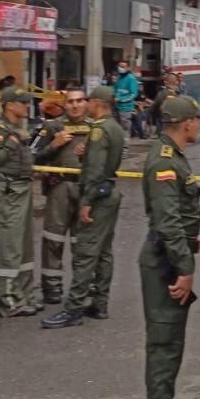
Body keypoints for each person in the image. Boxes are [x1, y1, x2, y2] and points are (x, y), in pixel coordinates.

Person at [140, 94, 200, 399]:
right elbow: (167, 221)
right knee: (164, 346)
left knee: (171, 344)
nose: (197, 124)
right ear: (187, 124)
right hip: (165, 262)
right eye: (195, 120)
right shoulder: (165, 163)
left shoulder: (172, 157)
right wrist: (185, 268)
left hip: (170, 255)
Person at [44, 87, 126, 328]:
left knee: (85, 253)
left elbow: (96, 171)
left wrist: (87, 202)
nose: (84, 105)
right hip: (110, 193)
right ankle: (100, 303)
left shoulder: (100, 130)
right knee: (104, 252)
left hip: (97, 196)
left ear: (98, 104)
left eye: (87, 101)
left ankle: (73, 310)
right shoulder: (115, 128)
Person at [0, 87, 40, 317]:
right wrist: (11, 143)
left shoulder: (19, 129)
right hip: (7, 190)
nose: (27, 107)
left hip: (23, 188)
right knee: (8, 244)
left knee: (25, 246)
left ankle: (24, 294)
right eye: (22, 103)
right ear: (9, 105)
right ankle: (8, 300)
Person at [36, 88, 91, 308]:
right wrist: (54, 145)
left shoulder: (96, 127)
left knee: (82, 242)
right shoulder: (53, 126)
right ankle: (51, 289)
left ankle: (81, 288)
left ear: (86, 103)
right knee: (53, 239)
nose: (75, 105)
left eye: (79, 101)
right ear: (64, 105)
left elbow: (117, 153)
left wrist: (90, 152)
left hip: (84, 189)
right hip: (59, 187)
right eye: (70, 102)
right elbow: (33, 155)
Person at [114, 61, 141, 135]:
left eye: (123, 67)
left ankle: (125, 144)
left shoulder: (131, 79)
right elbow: (115, 90)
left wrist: (121, 99)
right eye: (119, 66)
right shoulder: (119, 77)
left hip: (126, 108)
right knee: (117, 128)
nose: (120, 68)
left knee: (125, 129)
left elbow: (133, 94)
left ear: (128, 68)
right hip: (117, 107)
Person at [151, 71, 180, 135]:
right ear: (176, 82)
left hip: (164, 119)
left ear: (165, 82)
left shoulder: (163, 93)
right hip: (175, 120)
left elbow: (156, 104)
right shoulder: (177, 93)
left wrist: (153, 112)